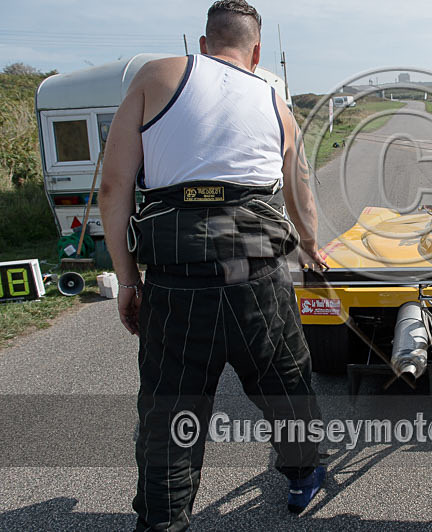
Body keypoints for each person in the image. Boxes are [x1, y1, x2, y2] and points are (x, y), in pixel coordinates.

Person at [99, 1, 328, 529]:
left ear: (202, 44)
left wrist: (128, 281)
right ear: (256, 51)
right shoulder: (277, 105)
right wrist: (312, 247)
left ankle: (163, 521)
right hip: (259, 280)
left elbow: (114, 189)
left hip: (176, 284)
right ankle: (303, 477)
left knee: (168, 414)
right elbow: (301, 197)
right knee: (287, 386)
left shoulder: (158, 75)